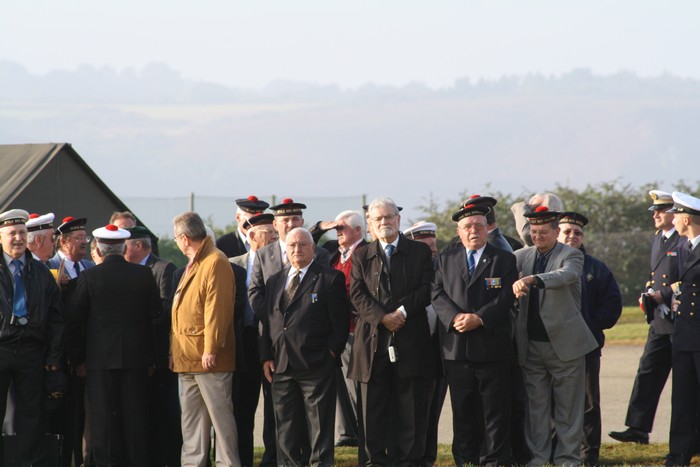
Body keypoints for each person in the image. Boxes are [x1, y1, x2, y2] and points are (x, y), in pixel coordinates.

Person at [348, 197, 435, 465]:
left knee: (409, 408)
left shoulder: (419, 252)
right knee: (372, 409)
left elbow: (427, 287)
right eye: (378, 219)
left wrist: (402, 313)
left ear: (398, 219)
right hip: (373, 343)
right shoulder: (361, 255)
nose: (384, 222)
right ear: (370, 224)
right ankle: (375, 460)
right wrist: (382, 317)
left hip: (410, 341)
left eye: (389, 217)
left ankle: (407, 460)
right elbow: (357, 293)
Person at [68, 224, 161, 466]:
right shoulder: (143, 275)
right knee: (135, 421)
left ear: (99, 248)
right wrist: (151, 357)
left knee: (104, 422)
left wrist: (78, 359)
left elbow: (74, 321)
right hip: (137, 359)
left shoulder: (89, 277)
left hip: (99, 362)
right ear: (123, 248)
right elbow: (155, 314)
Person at [511, 206, 598, 465]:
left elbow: (567, 276)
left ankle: (567, 459)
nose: (537, 237)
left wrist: (532, 280)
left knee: (568, 409)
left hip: (566, 346)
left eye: (543, 232)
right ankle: (538, 458)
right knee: (536, 409)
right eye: (533, 232)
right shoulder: (520, 256)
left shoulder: (571, 255)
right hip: (531, 345)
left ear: (556, 232)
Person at [433, 203, 517, 465]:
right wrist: (455, 317)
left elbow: (507, 297)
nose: (473, 231)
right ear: (459, 231)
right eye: (467, 227)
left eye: (479, 226)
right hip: (457, 350)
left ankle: (493, 460)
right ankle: (465, 460)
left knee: (494, 412)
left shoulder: (504, 258)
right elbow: (436, 292)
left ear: (487, 228)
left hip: (492, 348)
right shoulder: (445, 259)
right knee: (463, 411)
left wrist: (479, 318)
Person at [248, 198, 329, 466]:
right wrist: (278, 316)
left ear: (302, 222)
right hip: (276, 348)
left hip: (312, 352)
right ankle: (276, 459)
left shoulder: (322, 256)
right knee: (280, 415)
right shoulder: (264, 255)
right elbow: (255, 294)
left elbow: (331, 304)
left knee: (314, 416)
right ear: (275, 224)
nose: (290, 224)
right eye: (285, 220)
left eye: (295, 220)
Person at [260, 227, 350, 465]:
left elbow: (341, 324)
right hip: (281, 366)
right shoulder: (274, 281)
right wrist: (266, 356)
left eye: (302, 245)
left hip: (317, 366)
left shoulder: (330, 278)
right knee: (286, 429)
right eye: (292, 246)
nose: (297, 249)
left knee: (319, 427)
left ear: (313, 247)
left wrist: (330, 354)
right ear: (286, 250)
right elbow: (268, 322)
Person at [609, 190, 686, 445]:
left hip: (682, 320)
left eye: (661, 210)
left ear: (674, 213)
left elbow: (689, 279)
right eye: (655, 210)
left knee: (685, 382)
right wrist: (649, 293)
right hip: (660, 321)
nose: (656, 214)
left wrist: (663, 293)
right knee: (647, 372)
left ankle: (687, 437)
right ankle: (638, 428)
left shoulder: (684, 240)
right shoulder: (659, 239)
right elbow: (657, 275)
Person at [170, 212, 241, 467]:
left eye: (177, 238)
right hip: (187, 358)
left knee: (221, 423)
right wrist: (174, 351)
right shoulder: (195, 262)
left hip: (209, 359)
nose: (177, 243)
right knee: (192, 425)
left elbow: (218, 309)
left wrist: (211, 348)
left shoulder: (215, 261)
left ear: (185, 238)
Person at [557, 211, 622, 464]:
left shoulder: (596, 268)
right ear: (557, 232)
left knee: (588, 404)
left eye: (577, 232)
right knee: (553, 402)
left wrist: (589, 328)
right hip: (551, 348)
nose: (572, 236)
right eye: (567, 231)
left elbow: (612, 304)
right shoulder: (543, 263)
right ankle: (555, 451)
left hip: (586, 347)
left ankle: (587, 454)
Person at [0, 209, 64, 465]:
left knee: (32, 416)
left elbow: (57, 319)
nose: (18, 238)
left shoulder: (42, 273)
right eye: (12, 233)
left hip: (31, 351)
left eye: (22, 233)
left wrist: (54, 356)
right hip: (1, 348)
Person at [310, 210, 367, 449]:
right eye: (337, 229)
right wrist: (322, 227)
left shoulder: (366, 252)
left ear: (358, 231)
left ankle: (366, 434)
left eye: (342, 228)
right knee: (339, 386)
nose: (338, 233)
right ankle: (349, 433)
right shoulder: (334, 251)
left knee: (357, 387)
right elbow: (306, 243)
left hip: (357, 328)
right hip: (335, 331)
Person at [125, 226, 182, 467]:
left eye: (125, 244)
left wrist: (135, 325)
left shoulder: (163, 268)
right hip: (134, 356)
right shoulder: (127, 271)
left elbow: (166, 308)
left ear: (138, 246)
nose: (122, 249)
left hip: (157, 356)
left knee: (162, 413)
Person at [229, 213, 277, 467]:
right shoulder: (232, 264)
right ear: (251, 236)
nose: (273, 237)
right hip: (243, 344)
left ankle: (272, 460)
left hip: (272, 344)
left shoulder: (281, 263)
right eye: (268, 233)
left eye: (275, 233)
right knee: (242, 409)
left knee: (274, 409)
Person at [663, 192, 700, 466]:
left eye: (675, 214)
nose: (672, 219)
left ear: (686, 218)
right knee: (682, 399)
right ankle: (678, 455)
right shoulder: (685, 247)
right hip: (684, 335)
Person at [404, 220, 445, 467]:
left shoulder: (443, 267)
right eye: (425, 246)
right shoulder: (407, 269)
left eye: (433, 245)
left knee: (433, 411)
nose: (431, 250)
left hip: (439, 348)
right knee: (412, 410)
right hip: (413, 348)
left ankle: (427, 457)